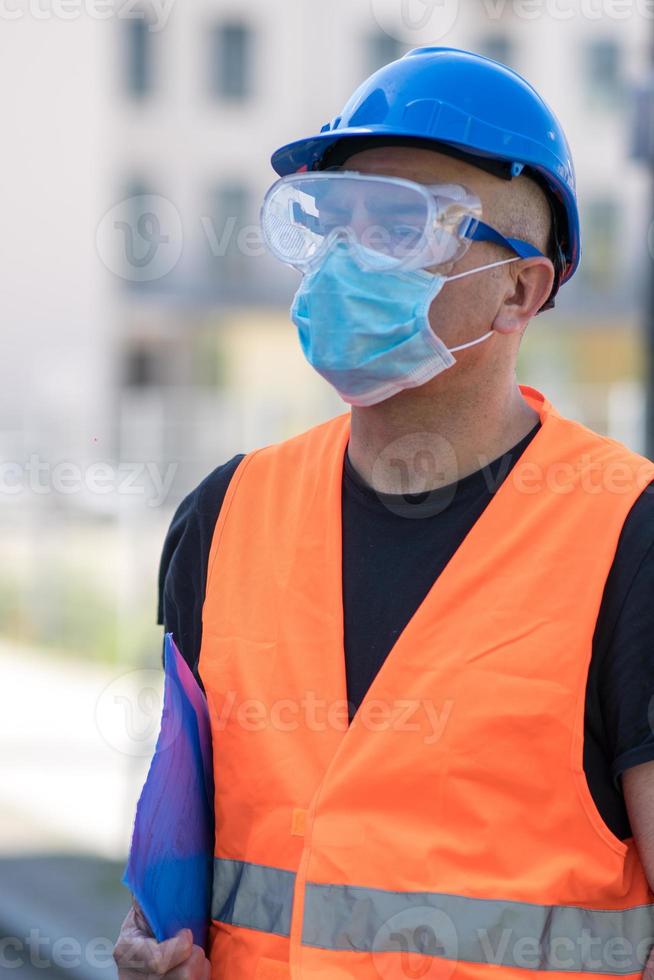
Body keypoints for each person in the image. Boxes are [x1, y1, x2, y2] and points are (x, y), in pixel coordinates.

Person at [114, 46, 654, 979]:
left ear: (522, 289)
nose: (349, 257)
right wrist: (157, 954)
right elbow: (181, 864)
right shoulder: (224, 516)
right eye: (333, 222)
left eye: (400, 225)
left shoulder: (626, 534)